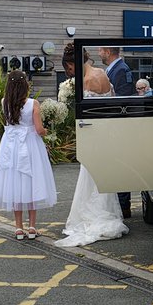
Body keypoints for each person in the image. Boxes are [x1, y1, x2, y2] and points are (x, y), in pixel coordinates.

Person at [55, 51, 128, 248]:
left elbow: (86, 112)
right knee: (102, 172)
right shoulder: (102, 73)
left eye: (69, 68)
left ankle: (93, 216)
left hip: (93, 133)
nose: (70, 73)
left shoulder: (87, 81)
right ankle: (105, 210)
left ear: (73, 63)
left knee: (89, 173)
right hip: (107, 132)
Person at [0, 70, 57, 239]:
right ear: (25, 85)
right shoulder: (33, 103)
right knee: (31, 182)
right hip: (29, 145)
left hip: (11, 145)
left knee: (15, 184)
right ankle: (32, 227)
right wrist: (47, 131)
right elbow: (39, 129)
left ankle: (18, 228)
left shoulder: (4, 101)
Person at [98, 46, 134, 217]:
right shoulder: (112, 69)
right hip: (109, 126)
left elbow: (123, 99)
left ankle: (123, 205)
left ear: (107, 51)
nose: (98, 54)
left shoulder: (122, 70)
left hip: (118, 127)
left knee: (120, 164)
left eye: (100, 50)